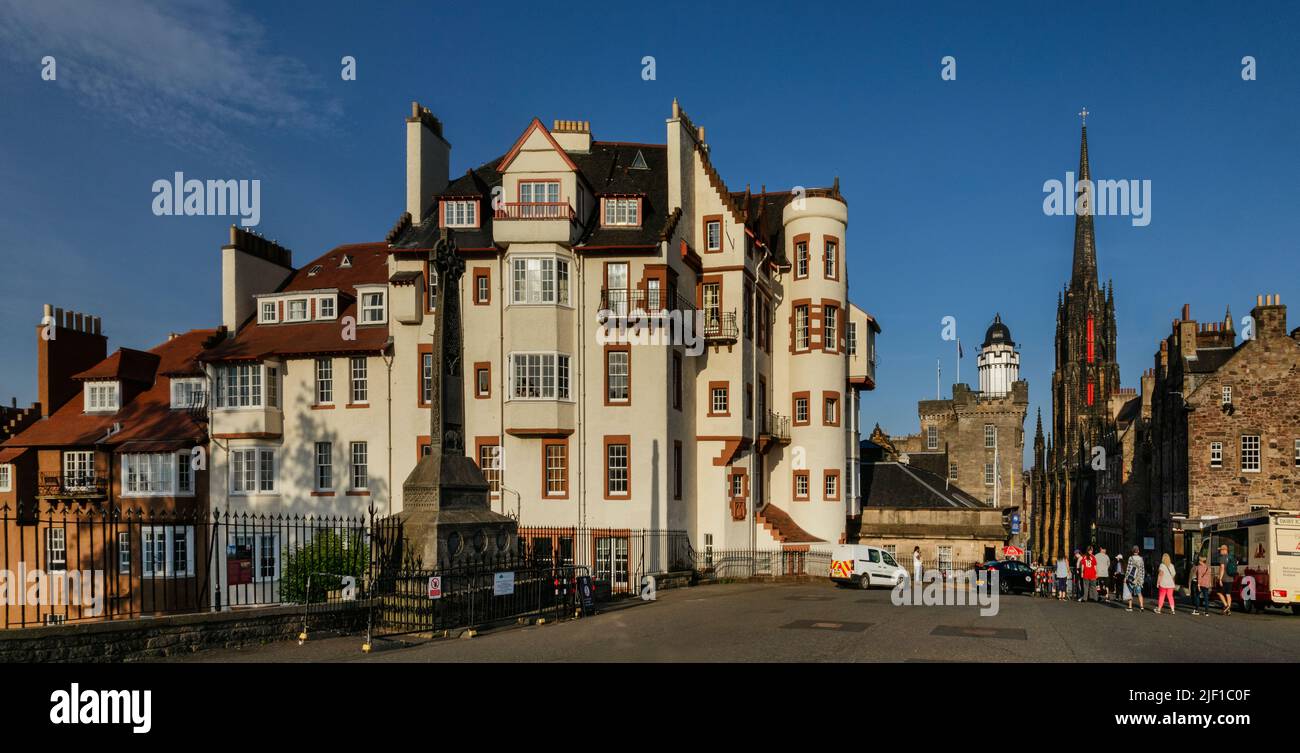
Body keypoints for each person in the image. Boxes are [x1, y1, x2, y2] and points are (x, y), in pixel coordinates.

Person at [1216, 543, 1236, 615]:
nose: (1220, 551)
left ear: (1224, 550)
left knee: (1219, 592)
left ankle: (1226, 606)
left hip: (1224, 579)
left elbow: (1222, 568)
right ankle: (1228, 610)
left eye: (1221, 550)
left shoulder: (1222, 558)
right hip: (1231, 578)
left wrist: (1220, 579)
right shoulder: (1231, 557)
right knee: (1228, 594)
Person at [1124, 546, 1146, 612]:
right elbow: (1142, 569)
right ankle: (1142, 607)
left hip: (1131, 578)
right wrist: (1142, 578)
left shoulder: (1131, 558)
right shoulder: (1141, 559)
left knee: (1130, 592)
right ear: (1138, 551)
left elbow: (1128, 569)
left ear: (1133, 551)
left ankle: (1130, 607)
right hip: (1139, 579)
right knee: (1139, 593)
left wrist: (1126, 577)